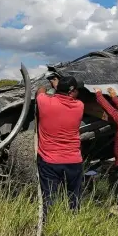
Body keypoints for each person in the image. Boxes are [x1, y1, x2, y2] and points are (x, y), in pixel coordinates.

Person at [35, 75, 84, 221]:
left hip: (49, 161)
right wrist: (60, 87)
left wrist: (52, 86)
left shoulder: (44, 102)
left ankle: (48, 223)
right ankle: (73, 223)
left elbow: (40, 91)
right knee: (73, 197)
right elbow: (66, 98)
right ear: (72, 92)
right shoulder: (79, 106)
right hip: (73, 161)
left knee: (49, 196)